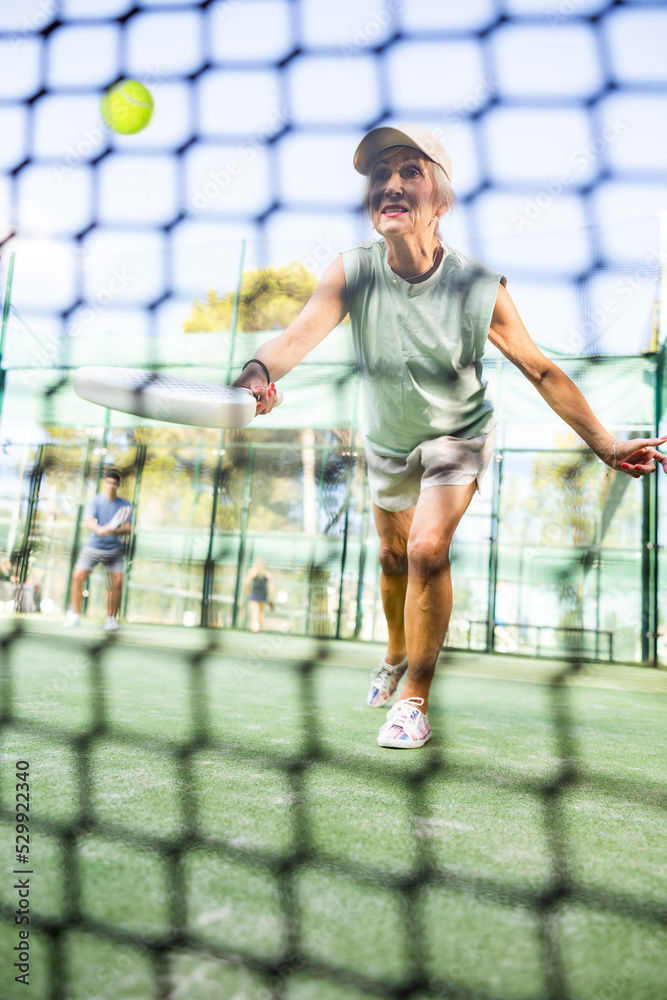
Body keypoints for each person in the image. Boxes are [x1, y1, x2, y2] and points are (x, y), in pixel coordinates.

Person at [233, 123, 667, 750]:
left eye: (411, 172)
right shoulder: (352, 271)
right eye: (381, 175)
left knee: (425, 550)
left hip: (456, 437)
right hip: (387, 437)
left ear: (441, 200)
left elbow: (540, 368)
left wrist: (605, 443)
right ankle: (393, 650)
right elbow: (294, 339)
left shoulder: (476, 285)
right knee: (389, 556)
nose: (391, 184)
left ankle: (413, 700)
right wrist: (256, 374)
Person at [63, 469, 132, 632]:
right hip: (93, 547)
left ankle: (111, 619)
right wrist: (99, 529)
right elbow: (88, 522)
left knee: (117, 582)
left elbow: (128, 528)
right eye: (109, 482)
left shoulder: (125, 504)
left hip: (115, 549)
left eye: (115, 483)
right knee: (77, 577)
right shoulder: (96, 501)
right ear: (105, 483)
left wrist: (112, 530)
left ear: (118, 485)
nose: (112, 486)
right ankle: (76, 615)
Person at [244, 558, 275, 632]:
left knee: (255, 611)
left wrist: (247, 590)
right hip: (263, 594)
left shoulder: (253, 571)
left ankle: (255, 626)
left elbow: (247, 582)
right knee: (261, 611)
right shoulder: (268, 573)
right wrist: (271, 596)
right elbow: (272, 586)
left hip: (255, 593)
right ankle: (260, 626)